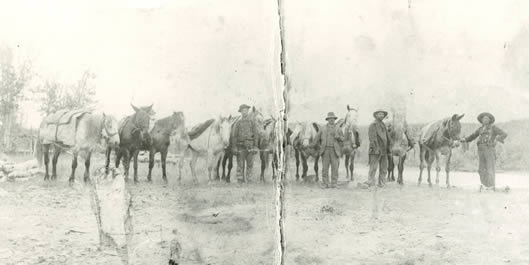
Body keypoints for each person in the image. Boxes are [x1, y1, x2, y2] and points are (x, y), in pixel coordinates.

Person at [461, 112, 507, 191]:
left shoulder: (494, 128)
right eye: (483, 119)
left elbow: (504, 134)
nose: (485, 120)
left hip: (489, 149)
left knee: (490, 169)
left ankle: (491, 187)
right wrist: (464, 140)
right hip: (480, 150)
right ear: (481, 120)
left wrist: (496, 139)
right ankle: (485, 186)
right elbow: (473, 136)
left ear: (489, 120)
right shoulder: (480, 129)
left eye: (487, 119)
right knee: (481, 169)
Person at [313, 112, 344, 188]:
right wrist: (317, 146)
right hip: (325, 150)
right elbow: (316, 139)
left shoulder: (338, 129)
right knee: (325, 168)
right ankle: (325, 183)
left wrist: (338, 138)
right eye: (330, 119)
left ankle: (334, 183)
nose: (331, 120)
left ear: (334, 119)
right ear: (327, 120)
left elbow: (343, 138)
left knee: (335, 167)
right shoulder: (322, 128)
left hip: (335, 151)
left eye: (333, 119)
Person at [232, 104, 260, 184]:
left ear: (248, 111)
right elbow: (234, 136)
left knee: (250, 164)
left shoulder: (252, 122)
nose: (245, 112)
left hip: (250, 146)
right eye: (243, 111)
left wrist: (255, 146)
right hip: (240, 146)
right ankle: (240, 180)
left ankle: (249, 179)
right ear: (240, 112)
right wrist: (234, 147)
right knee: (240, 163)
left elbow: (256, 134)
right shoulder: (238, 122)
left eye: (246, 110)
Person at [365, 110, 391, 188]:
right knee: (373, 167)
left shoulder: (383, 125)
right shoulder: (373, 125)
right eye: (380, 114)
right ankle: (371, 182)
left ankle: (382, 183)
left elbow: (387, 137)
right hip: (376, 150)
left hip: (384, 150)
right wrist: (376, 148)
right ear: (376, 115)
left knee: (384, 168)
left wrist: (389, 147)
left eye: (383, 114)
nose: (382, 115)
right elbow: (372, 139)